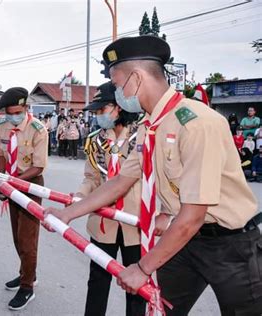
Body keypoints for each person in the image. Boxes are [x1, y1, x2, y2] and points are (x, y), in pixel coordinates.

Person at [45, 35, 261, 315]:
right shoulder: (150, 126)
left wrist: (142, 267)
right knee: (157, 309)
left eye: (117, 82)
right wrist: (69, 213)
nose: (117, 90)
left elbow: (193, 214)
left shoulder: (197, 123)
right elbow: (121, 181)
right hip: (185, 241)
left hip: (231, 246)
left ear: (135, 78)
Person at [79, 82, 144, 316]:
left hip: (135, 223)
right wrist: (79, 197)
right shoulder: (95, 140)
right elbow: (91, 178)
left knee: (136, 286)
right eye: (96, 112)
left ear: (119, 107)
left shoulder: (143, 136)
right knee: (97, 279)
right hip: (102, 221)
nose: (98, 116)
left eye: (101, 110)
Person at [0, 87, 48, 310]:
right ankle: (27, 273)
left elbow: (38, 166)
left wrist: (12, 183)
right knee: (17, 236)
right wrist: (0, 181)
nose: (12, 116)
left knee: (27, 238)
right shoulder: (1, 127)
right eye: (9, 112)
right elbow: (0, 155)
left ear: (26, 108)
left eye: (17, 112)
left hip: (31, 185)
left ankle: (27, 287)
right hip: (11, 184)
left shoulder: (38, 129)